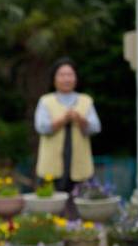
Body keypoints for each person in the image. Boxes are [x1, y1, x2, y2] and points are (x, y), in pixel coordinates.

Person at [34, 57, 101, 195]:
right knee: (51, 203)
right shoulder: (46, 101)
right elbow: (41, 127)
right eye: (62, 75)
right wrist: (63, 119)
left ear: (76, 78)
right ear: (54, 78)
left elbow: (96, 127)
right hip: (51, 168)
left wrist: (80, 119)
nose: (66, 79)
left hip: (80, 168)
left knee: (80, 203)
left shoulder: (86, 100)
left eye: (70, 74)